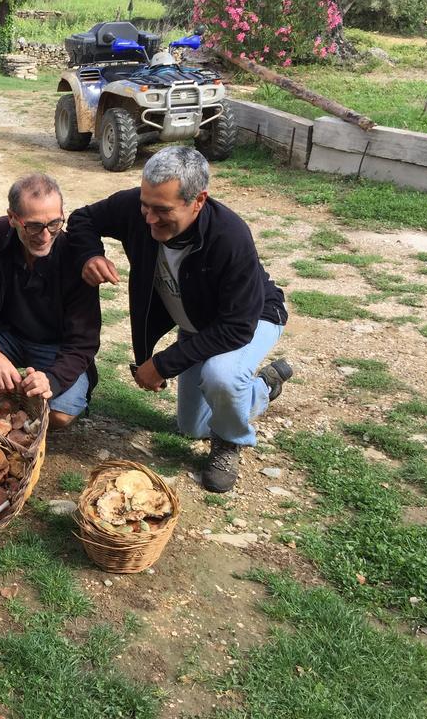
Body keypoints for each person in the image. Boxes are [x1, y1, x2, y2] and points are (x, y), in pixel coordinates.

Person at [66, 146, 291, 492]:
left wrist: (162, 364)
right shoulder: (139, 209)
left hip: (252, 318)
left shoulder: (230, 237)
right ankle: (263, 387)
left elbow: (236, 327)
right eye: (145, 204)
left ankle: (230, 441)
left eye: (162, 210)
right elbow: (82, 218)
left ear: (198, 200)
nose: (149, 218)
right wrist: (89, 255)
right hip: (198, 325)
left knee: (222, 376)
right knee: (191, 427)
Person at [0, 173, 101, 429]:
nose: (45, 235)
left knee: (59, 416)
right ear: (13, 218)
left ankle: (17, 417)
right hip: (6, 335)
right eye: (34, 226)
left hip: (55, 347)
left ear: (63, 214)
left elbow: (84, 342)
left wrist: (52, 379)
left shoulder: (75, 253)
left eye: (54, 224)